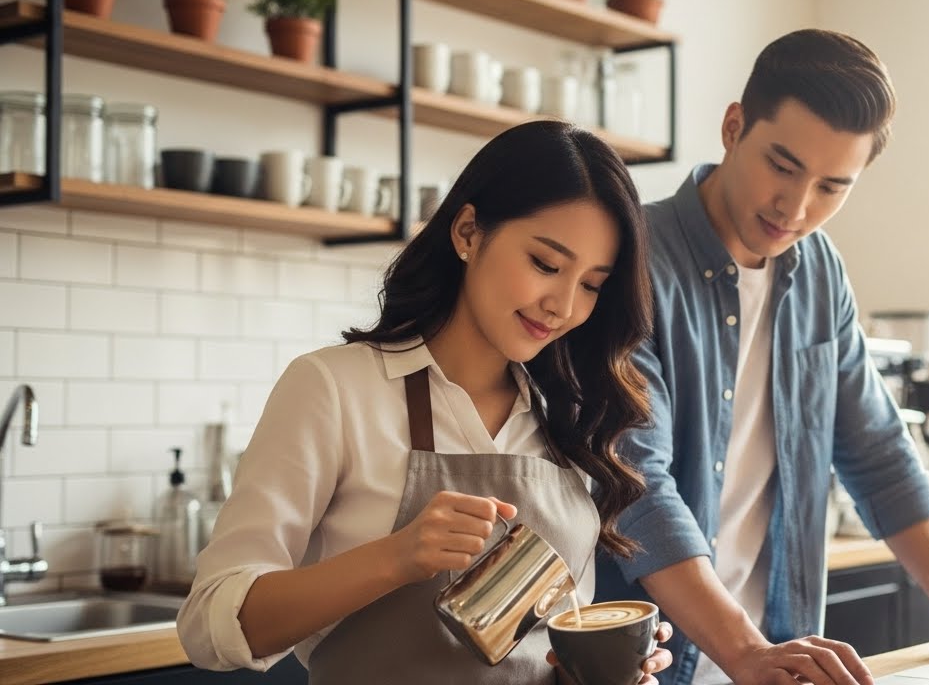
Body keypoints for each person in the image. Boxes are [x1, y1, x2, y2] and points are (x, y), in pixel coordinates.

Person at [177, 121, 672, 684]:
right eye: (545, 264)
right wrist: (395, 558)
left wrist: (609, 669)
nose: (562, 304)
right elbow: (207, 626)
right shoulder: (334, 389)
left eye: (591, 285)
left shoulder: (571, 419)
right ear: (468, 232)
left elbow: (544, 650)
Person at [593, 30, 929, 685]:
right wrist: (743, 652)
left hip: (775, 655)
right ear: (733, 127)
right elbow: (635, 484)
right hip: (656, 662)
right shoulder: (633, 259)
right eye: (782, 166)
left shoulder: (819, 270)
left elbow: (876, 452)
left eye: (831, 186)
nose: (796, 206)